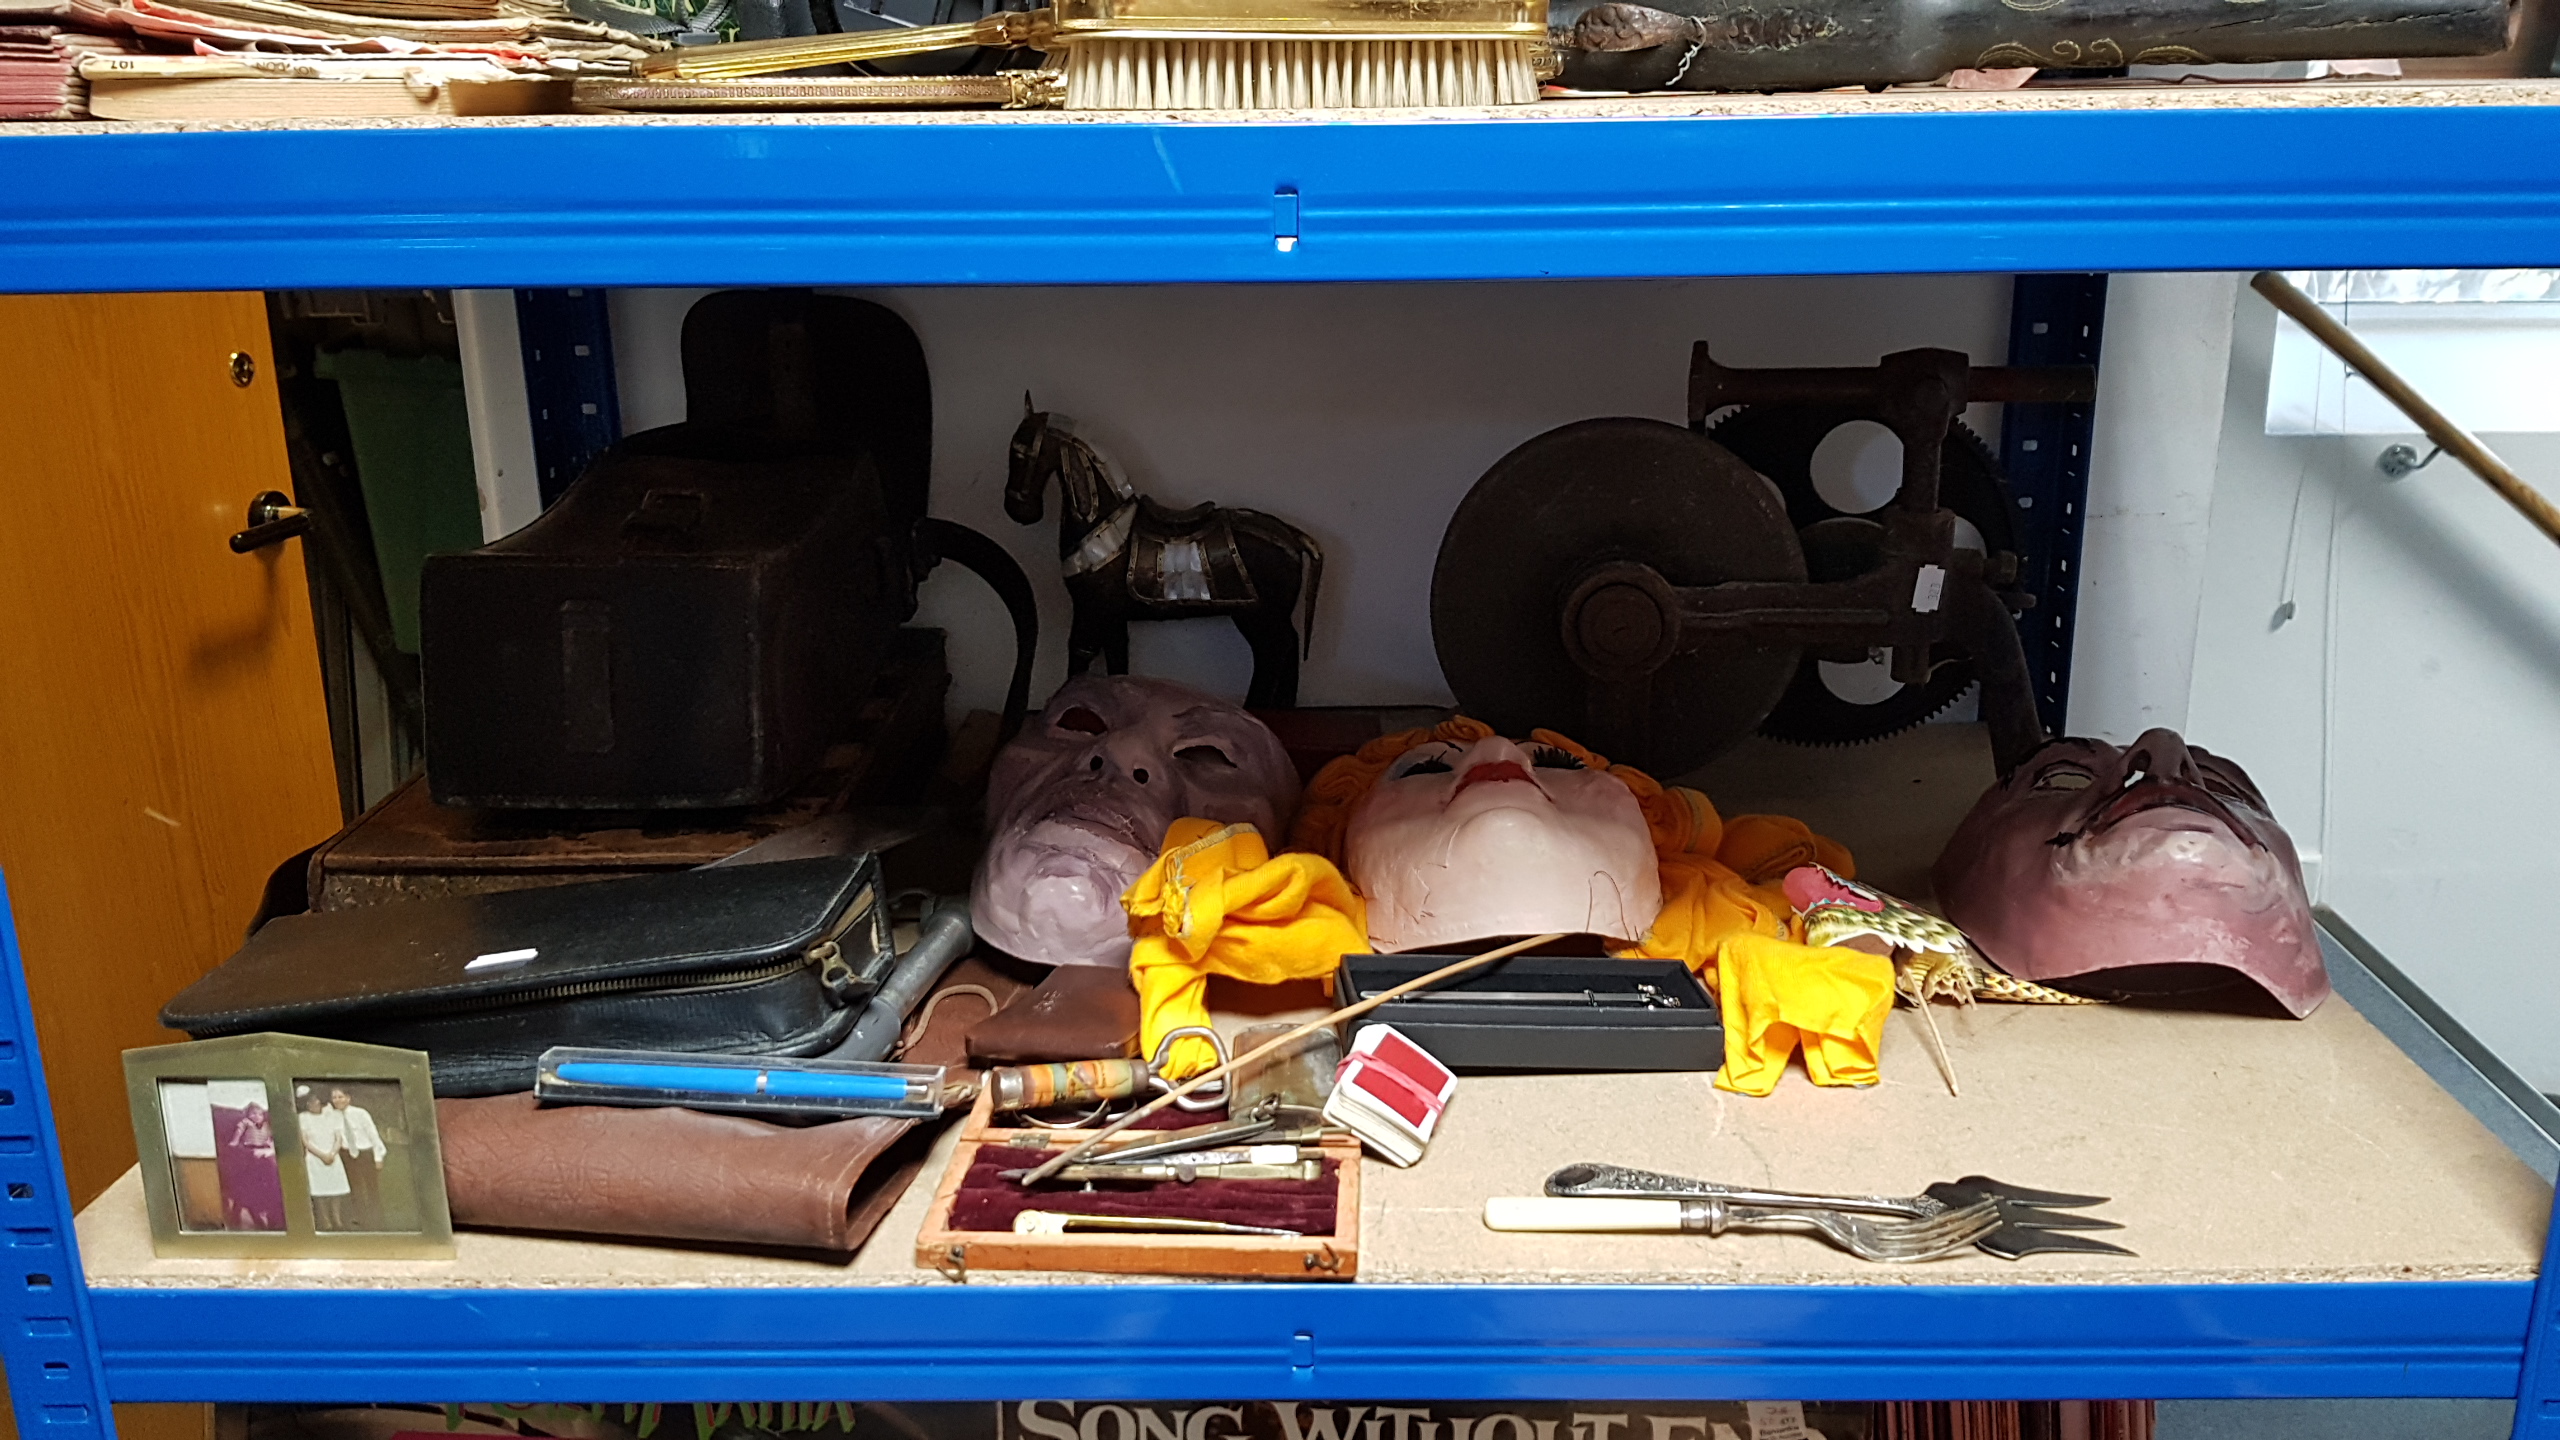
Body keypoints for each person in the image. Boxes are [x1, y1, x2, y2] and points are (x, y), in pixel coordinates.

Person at [329, 1087, 387, 1230]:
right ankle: (361, 1218)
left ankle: (377, 1219)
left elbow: (373, 1135)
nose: (337, 1100)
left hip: (365, 1153)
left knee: (371, 1187)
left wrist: (378, 1157)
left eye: (340, 1097)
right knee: (355, 1188)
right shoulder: (332, 1116)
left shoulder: (360, 1113)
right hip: (347, 1155)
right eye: (334, 1097)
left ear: (348, 1098)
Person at [297, 1087, 349, 1230]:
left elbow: (338, 1137)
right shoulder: (303, 1118)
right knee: (320, 1191)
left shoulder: (331, 1115)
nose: (313, 1104)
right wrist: (322, 1155)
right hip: (315, 1158)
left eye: (314, 1101)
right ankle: (326, 1221)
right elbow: (306, 1141)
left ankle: (337, 1220)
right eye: (309, 1103)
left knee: (336, 1189)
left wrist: (332, 1153)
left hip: (333, 1156)